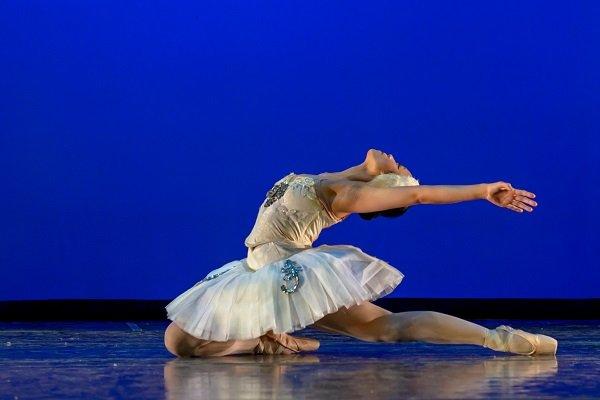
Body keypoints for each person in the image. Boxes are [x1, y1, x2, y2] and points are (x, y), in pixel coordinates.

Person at [163, 148, 558, 357]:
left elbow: (419, 195)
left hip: (287, 274)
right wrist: (370, 169)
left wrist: (482, 189)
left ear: (388, 186)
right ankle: (262, 341)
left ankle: (500, 339)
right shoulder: (338, 179)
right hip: (252, 270)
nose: (398, 160)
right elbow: (367, 166)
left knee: (386, 329)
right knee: (179, 342)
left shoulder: (349, 195)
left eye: (400, 168)